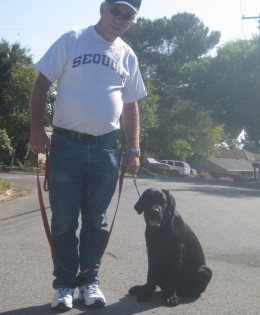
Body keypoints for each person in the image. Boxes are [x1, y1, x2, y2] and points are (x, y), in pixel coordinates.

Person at [29, 0, 146, 311]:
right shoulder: (73, 39)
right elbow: (41, 84)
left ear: (131, 21)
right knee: (65, 220)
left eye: (128, 16)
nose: (120, 19)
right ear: (102, 8)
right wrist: (36, 130)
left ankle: (89, 282)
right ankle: (65, 285)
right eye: (116, 11)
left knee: (97, 220)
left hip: (107, 148)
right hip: (67, 145)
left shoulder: (127, 55)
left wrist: (133, 148)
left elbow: (131, 105)